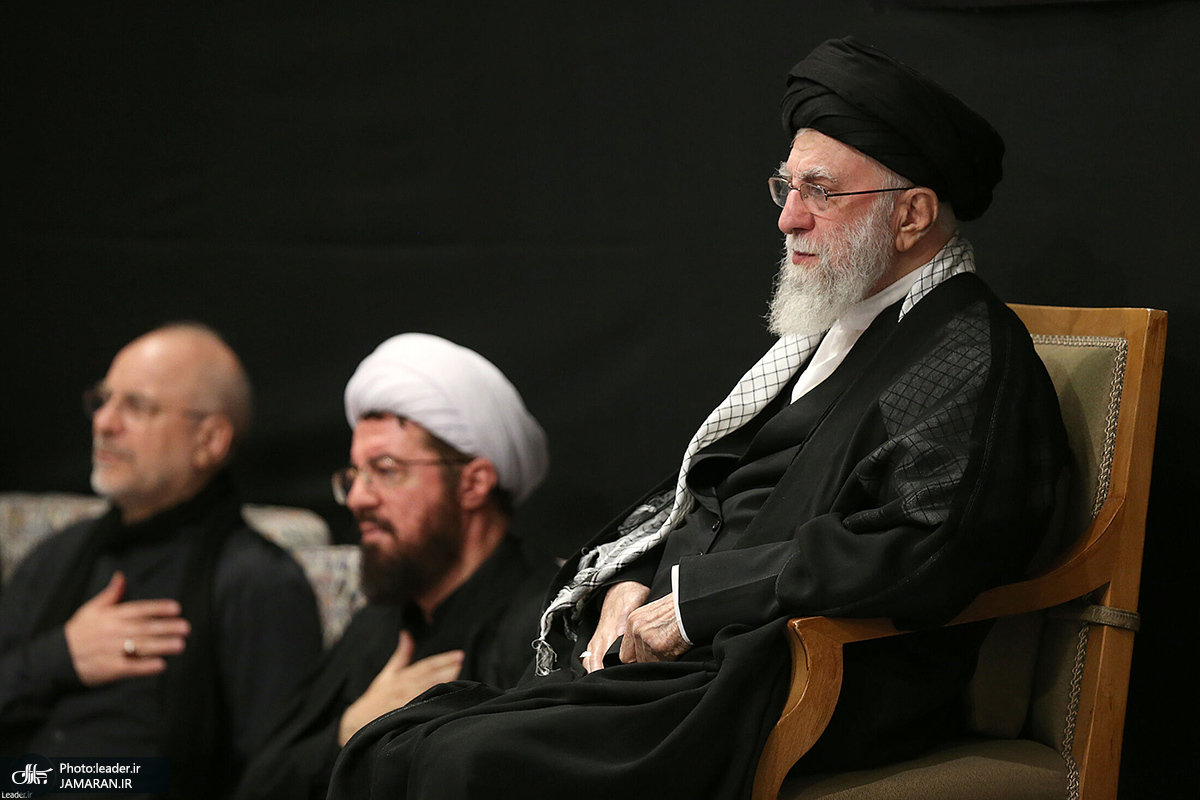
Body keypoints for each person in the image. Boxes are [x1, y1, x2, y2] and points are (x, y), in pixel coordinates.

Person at [327, 36, 1069, 800]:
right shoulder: (836, 329)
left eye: (821, 192)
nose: (789, 219)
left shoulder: (965, 351)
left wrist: (696, 602)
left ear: (912, 214)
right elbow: (711, 495)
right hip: (701, 664)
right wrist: (635, 579)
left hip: (796, 679)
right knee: (397, 743)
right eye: (787, 186)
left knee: (461, 763)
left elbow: (922, 544)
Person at [0, 323, 323, 799]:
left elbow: (278, 780)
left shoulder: (258, 582)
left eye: (136, 406)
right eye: (102, 400)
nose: (104, 423)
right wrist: (61, 657)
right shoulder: (55, 556)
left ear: (209, 440)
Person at [234, 333, 554, 800]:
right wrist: (352, 729)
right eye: (354, 475)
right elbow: (260, 783)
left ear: (473, 484)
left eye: (386, 470)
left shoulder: (545, 625)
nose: (358, 498)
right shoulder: (382, 621)